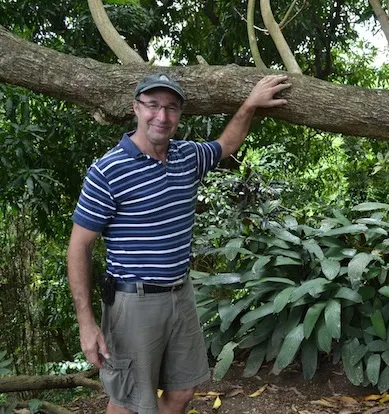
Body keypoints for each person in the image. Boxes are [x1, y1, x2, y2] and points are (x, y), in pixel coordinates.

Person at [67, 72, 291, 414]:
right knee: (127, 401)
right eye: (153, 105)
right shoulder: (108, 171)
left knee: (183, 391)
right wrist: (86, 323)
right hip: (133, 301)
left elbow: (226, 144)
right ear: (135, 109)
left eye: (171, 108)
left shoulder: (187, 157)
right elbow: (79, 247)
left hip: (180, 293)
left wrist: (249, 105)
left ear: (179, 116)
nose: (162, 116)